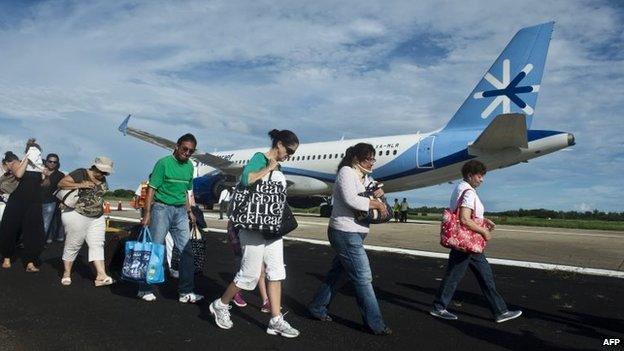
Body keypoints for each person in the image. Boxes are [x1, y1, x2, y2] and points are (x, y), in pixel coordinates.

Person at [209, 129, 300, 338]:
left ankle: (276, 319)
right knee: (249, 274)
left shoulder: (279, 167)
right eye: (289, 150)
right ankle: (220, 304)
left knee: (277, 271)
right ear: (278, 144)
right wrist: (268, 168)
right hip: (253, 226)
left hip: (272, 226)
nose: (289, 155)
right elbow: (245, 180)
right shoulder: (259, 159)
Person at [308, 143, 392, 335]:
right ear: (355, 158)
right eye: (367, 158)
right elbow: (351, 199)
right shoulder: (346, 172)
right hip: (344, 232)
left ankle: (317, 307)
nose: (371, 162)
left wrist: (380, 194)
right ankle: (375, 324)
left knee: (338, 274)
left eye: (373, 159)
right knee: (363, 277)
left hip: (356, 232)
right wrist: (376, 204)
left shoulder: (365, 177)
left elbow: (371, 195)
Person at [430, 160, 522, 323]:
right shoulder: (469, 192)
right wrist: (483, 231)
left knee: (483, 276)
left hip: (468, 243)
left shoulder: (460, 188)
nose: (482, 179)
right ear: (470, 175)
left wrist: (485, 220)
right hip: (467, 243)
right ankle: (439, 307)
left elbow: (466, 215)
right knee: (458, 276)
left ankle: (500, 311)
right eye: (479, 176)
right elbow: (465, 219)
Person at [138, 133, 203, 303]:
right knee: (156, 249)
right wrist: (147, 214)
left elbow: (186, 192)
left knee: (187, 251)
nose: (187, 153)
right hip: (161, 209)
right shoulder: (163, 163)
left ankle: (186, 291)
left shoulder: (189, 166)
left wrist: (190, 212)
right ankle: (145, 288)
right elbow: (151, 189)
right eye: (185, 149)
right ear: (177, 146)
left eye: (191, 151)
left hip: (180, 211)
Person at [58, 157, 115, 287]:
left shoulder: (103, 178)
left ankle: (101, 275)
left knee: (97, 244)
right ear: (94, 167)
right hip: (77, 213)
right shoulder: (81, 173)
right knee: (74, 244)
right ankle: (66, 273)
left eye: (106, 172)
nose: (103, 174)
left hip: (97, 215)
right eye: (102, 171)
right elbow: (61, 183)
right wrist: (81, 184)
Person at [0, 140, 46, 271]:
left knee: (34, 231)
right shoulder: (18, 163)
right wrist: (27, 159)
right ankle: (7, 257)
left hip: (34, 201)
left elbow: (44, 184)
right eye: (33, 151)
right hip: (18, 200)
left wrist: (46, 174)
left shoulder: (40, 166)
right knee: (10, 227)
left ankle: (30, 261)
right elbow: (19, 174)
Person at [41, 153, 65, 244]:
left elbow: (61, 189)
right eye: (50, 161)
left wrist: (62, 202)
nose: (52, 163)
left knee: (46, 223)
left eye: (54, 162)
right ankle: (46, 238)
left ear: (57, 163)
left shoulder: (60, 175)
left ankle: (41, 242)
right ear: (46, 161)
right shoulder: (40, 171)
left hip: (51, 201)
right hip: (36, 200)